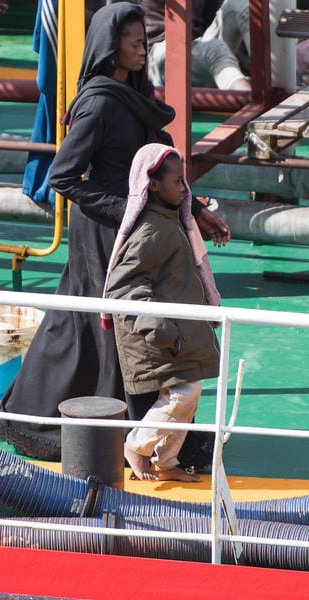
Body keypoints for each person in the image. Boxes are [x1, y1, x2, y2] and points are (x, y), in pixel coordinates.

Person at [0, 3, 229, 463]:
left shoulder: (134, 96)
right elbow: (64, 177)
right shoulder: (99, 104)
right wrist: (126, 213)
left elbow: (153, 169)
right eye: (134, 42)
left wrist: (195, 209)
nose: (143, 49)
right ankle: (95, 423)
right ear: (110, 46)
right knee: (107, 322)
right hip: (104, 233)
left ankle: (129, 423)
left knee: (97, 321)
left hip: (137, 229)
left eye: (145, 41)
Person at [104, 144, 223, 483]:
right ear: (153, 185)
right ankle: (137, 447)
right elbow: (123, 287)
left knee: (188, 395)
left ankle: (166, 461)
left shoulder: (169, 222)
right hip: (160, 336)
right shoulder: (152, 230)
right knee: (185, 394)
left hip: (176, 332)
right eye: (178, 182)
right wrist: (160, 329)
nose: (185, 189)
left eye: (185, 182)